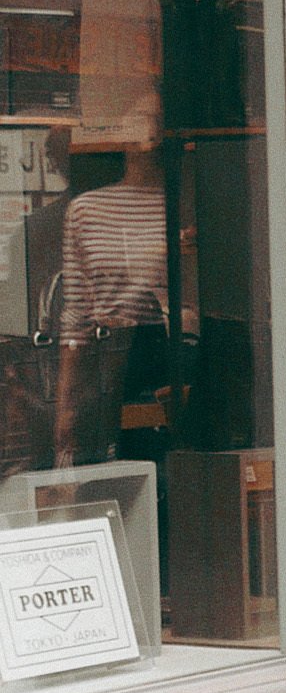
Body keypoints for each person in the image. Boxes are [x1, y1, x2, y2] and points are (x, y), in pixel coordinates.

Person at [53, 105, 168, 467]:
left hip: (167, 358)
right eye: (137, 114)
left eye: (155, 117)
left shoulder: (182, 201)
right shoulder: (87, 209)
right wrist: (65, 410)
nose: (146, 127)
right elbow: (76, 314)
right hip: (104, 362)